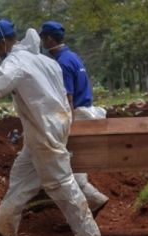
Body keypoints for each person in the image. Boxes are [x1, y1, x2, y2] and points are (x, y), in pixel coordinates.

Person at [0, 19, 103, 236]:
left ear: (3, 41)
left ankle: (88, 235)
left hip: (44, 130)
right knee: (21, 175)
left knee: (60, 183)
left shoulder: (16, 63)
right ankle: (3, 228)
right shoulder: (44, 61)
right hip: (50, 127)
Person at [39, 20, 109, 221]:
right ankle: (84, 212)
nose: (43, 42)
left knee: (69, 169)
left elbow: (67, 97)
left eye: (44, 38)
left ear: (50, 38)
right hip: (87, 112)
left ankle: (94, 200)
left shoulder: (61, 63)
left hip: (76, 115)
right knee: (74, 167)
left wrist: (66, 126)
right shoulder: (74, 57)